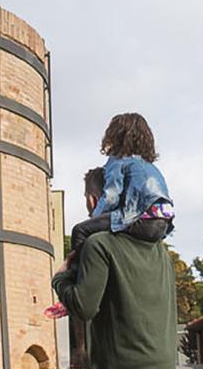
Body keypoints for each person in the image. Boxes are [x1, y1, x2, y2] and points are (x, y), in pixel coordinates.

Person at [51, 185, 178, 369]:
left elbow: (84, 306)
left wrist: (61, 279)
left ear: (94, 199)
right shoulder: (160, 252)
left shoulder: (101, 245)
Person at [45, 113, 174, 320]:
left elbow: (112, 196)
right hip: (162, 222)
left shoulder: (118, 161)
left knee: (81, 230)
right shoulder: (150, 167)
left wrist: (94, 219)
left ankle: (79, 284)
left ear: (114, 136)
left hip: (141, 219)